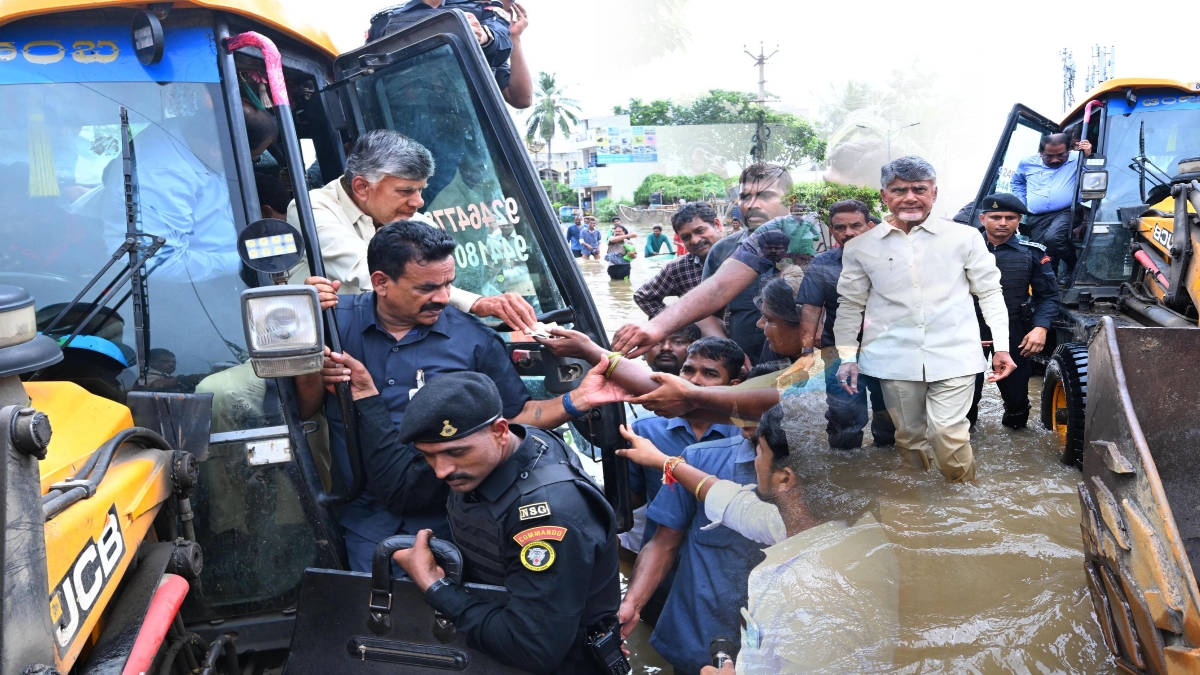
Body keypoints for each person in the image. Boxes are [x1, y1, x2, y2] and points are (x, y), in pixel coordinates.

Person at [295, 221, 621, 570]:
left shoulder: (474, 340)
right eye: (427, 288)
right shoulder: (330, 323)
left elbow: (511, 420)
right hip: (365, 519)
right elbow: (304, 409)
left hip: (454, 519)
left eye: (448, 284)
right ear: (381, 282)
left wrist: (575, 401)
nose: (444, 298)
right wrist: (309, 357)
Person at [360, 371, 625, 675]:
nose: (441, 471)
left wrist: (434, 585)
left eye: (455, 452)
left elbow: (531, 649)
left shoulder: (546, 515)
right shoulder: (523, 441)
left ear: (500, 431)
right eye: (428, 456)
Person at [618, 404, 900, 674]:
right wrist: (664, 461)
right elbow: (734, 503)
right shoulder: (857, 531)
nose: (754, 458)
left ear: (785, 479)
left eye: (759, 450)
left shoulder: (809, 594)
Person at [833, 157, 1016, 483]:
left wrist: (1001, 348)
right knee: (909, 438)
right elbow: (850, 306)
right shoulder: (861, 248)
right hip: (893, 359)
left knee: (949, 434)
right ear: (884, 195)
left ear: (934, 192)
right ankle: (921, 505)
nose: (910, 197)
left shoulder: (965, 238)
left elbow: (989, 294)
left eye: (919, 189)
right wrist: (847, 356)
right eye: (899, 190)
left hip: (955, 354)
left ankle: (964, 507)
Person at [287, 129, 535, 331]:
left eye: (420, 190)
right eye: (405, 191)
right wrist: (476, 303)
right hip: (321, 339)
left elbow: (440, 276)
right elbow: (368, 272)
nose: (418, 203)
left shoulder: (412, 217)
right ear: (362, 187)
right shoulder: (310, 208)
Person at [617, 413, 770, 674]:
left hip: (774, 646)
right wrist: (632, 603)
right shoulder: (702, 457)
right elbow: (664, 542)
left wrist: (666, 462)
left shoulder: (797, 489)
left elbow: (728, 501)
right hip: (702, 640)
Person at [612, 164, 793, 363]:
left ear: (791, 200)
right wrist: (729, 354)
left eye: (765, 195)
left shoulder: (819, 242)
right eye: (744, 197)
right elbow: (713, 299)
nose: (751, 205)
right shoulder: (723, 251)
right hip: (747, 364)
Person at [793, 199, 895, 449]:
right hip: (839, 352)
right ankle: (846, 471)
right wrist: (807, 352)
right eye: (840, 227)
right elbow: (811, 309)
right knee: (844, 417)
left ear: (870, 226)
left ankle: (889, 469)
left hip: (888, 349)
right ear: (831, 230)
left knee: (892, 415)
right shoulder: (821, 265)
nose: (848, 232)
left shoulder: (893, 260)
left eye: (855, 225)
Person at [966, 193, 1060, 430]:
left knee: (1017, 399)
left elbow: (1048, 295)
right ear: (982, 218)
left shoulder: (1032, 253)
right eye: (995, 217)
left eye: (1010, 217)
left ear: (1019, 220)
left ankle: (1017, 438)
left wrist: (1041, 328)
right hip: (967, 330)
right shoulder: (961, 250)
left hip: (1014, 330)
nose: (1002, 223)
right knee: (964, 401)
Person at [371, 0, 532, 109]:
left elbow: (521, 98)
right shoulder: (388, 19)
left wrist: (512, 38)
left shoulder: (486, 50)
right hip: (402, 119)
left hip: (459, 134)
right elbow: (366, 77)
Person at [1011, 132, 1093, 274]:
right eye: (1049, 156)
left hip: (1068, 211)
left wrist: (1088, 156)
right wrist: (1022, 204)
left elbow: (1092, 177)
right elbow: (1017, 182)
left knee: (1054, 239)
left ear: (1069, 150)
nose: (1055, 160)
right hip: (1037, 216)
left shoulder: (1078, 158)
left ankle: (1075, 268)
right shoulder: (1027, 163)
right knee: (1043, 253)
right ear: (1040, 152)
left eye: (1060, 155)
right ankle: (1052, 284)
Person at [634, 202, 725, 320]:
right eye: (686, 237)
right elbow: (643, 296)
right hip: (707, 336)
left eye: (700, 231)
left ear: (717, 225)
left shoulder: (745, 253)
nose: (695, 241)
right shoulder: (678, 269)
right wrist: (680, 323)